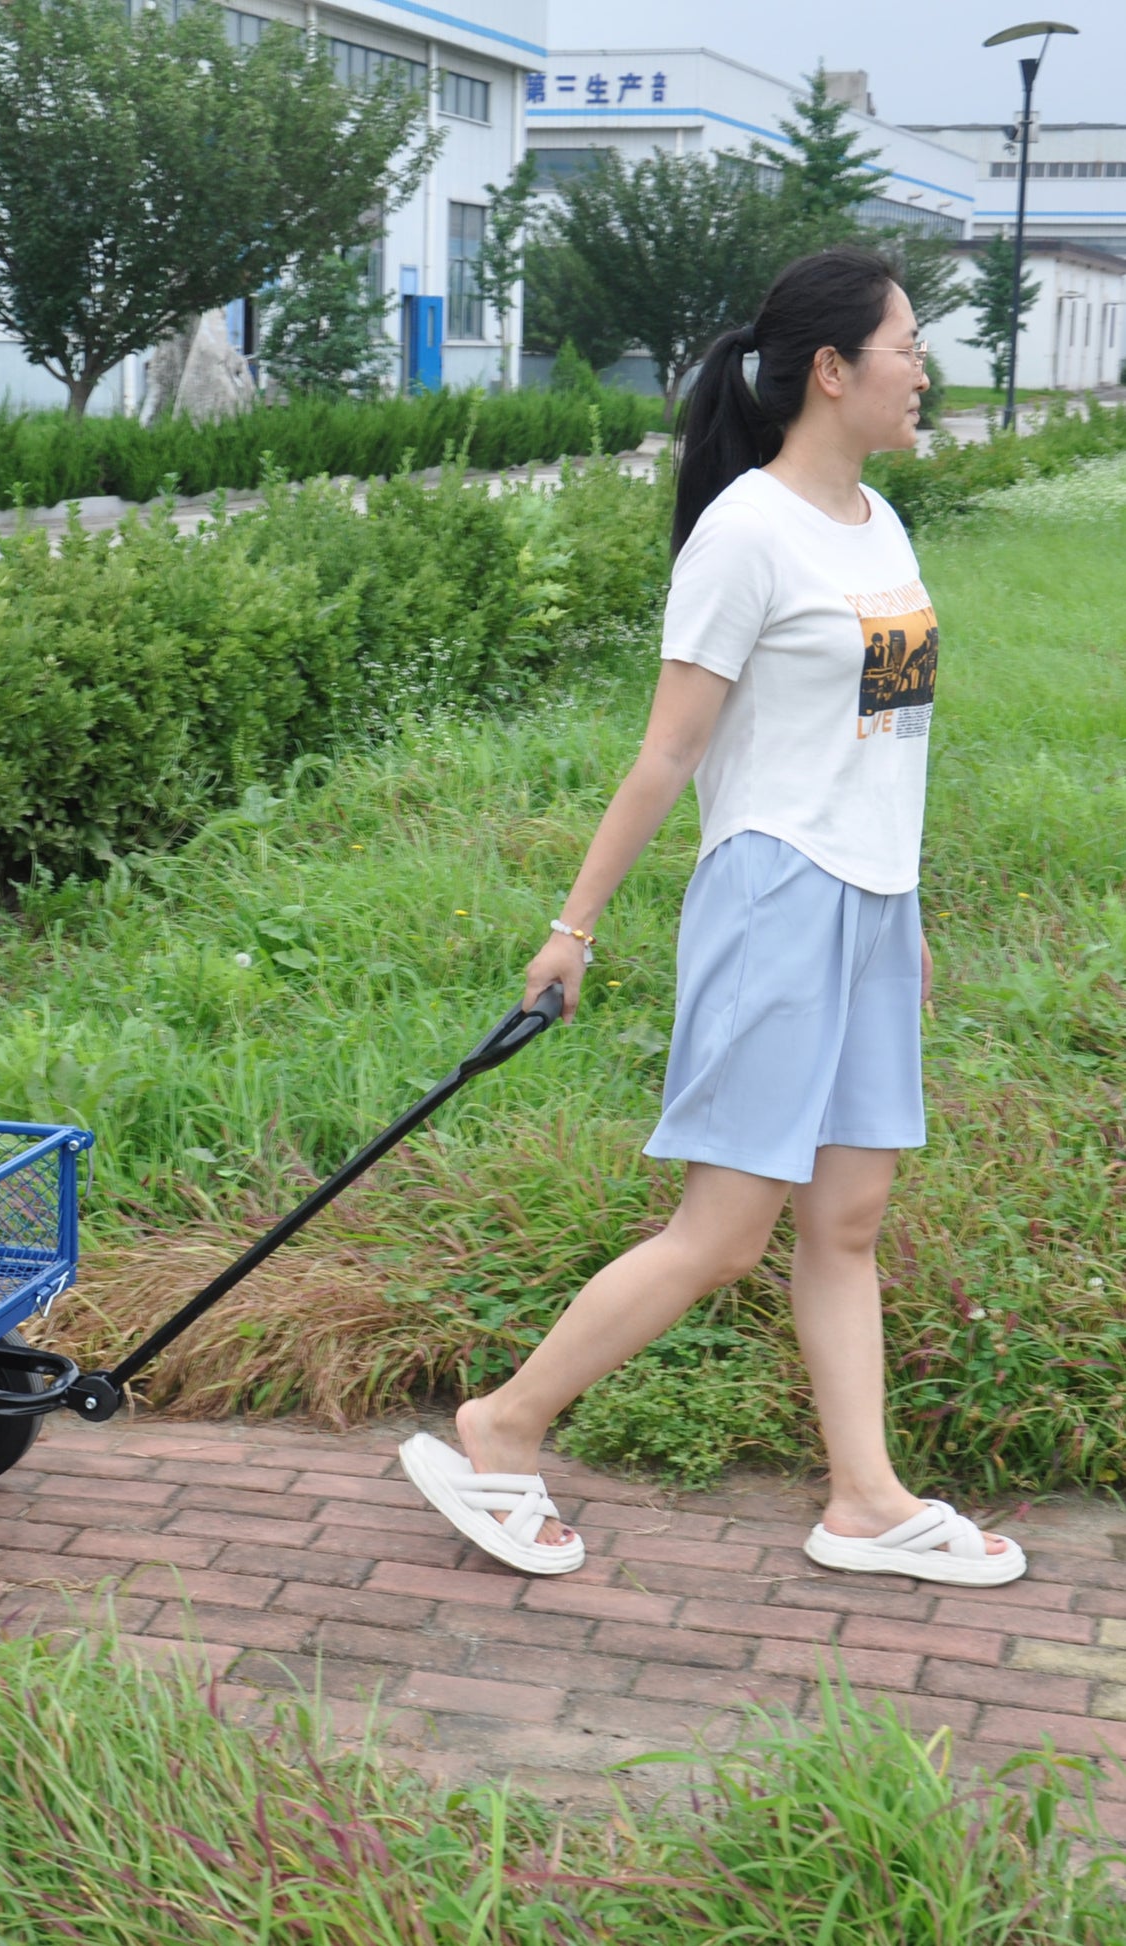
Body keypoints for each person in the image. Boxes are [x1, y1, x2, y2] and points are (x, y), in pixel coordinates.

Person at [399, 246, 1024, 1588]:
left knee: (846, 1214)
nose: (925, 369)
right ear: (830, 370)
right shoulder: (745, 531)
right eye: (906, 345)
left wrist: (901, 908)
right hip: (775, 896)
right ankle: (500, 1426)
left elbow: (888, 739)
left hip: (866, 905)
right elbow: (665, 756)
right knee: (724, 1227)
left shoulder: (877, 525)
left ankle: (862, 1496)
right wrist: (571, 927)